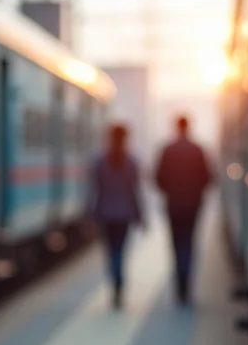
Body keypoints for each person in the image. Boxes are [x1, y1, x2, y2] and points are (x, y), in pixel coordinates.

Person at [155, 116, 215, 305]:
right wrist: (196, 192)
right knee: (189, 243)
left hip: (173, 205)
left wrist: (170, 191)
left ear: (176, 127)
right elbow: (209, 177)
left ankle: (179, 286)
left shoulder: (167, 150)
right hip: (193, 206)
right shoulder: (198, 150)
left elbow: (158, 178)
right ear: (188, 127)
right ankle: (186, 287)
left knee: (175, 244)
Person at [88, 124, 145, 310]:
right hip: (125, 215)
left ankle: (115, 282)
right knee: (121, 250)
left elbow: (96, 191)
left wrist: (93, 215)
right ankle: (119, 283)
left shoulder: (100, 161)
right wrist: (140, 215)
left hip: (105, 214)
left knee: (110, 251)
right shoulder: (131, 161)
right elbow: (135, 191)